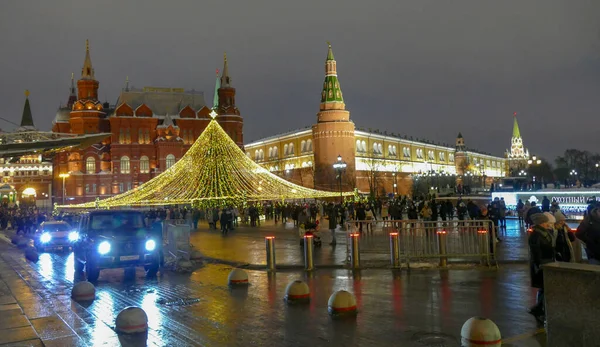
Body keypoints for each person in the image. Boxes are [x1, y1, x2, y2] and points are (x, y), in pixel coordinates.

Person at [527, 212, 555, 322]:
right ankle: (538, 309)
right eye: (545, 222)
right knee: (544, 287)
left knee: (545, 287)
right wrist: (539, 264)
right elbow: (536, 252)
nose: (547, 224)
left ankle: (539, 308)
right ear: (541, 223)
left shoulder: (545, 233)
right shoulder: (536, 235)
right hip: (541, 265)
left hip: (547, 262)